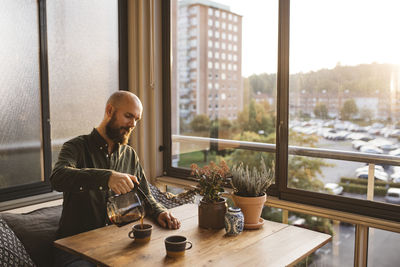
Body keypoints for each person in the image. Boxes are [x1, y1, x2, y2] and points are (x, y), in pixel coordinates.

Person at [51, 91, 180, 266]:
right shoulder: (76, 147)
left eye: (136, 119)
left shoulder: (130, 155)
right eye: (128, 116)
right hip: (76, 250)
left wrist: (160, 212)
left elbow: (145, 194)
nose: (132, 124)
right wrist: (106, 177)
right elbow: (58, 177)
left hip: (117, 245)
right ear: (110, 110)